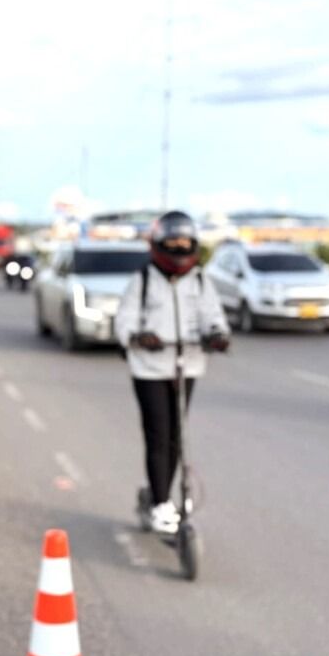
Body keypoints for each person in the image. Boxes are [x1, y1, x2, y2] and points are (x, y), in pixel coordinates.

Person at [115, 211, 230, 535]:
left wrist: (217, 335)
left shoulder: (200, 280)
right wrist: (138, 337)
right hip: (150, 368)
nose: (179, 247)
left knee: (178, 436)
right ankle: (161, 502)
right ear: (159, 243)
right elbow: (124, 319)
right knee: (158, 435)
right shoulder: (144, 279)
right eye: (173, 241)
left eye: (185, 241)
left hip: (187, 363)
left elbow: (213, 316)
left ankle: (167, 493)